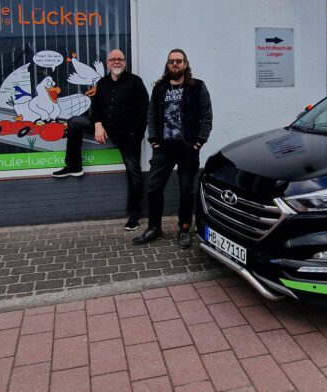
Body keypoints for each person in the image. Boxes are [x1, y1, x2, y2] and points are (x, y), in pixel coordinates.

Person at [53, 49, 148, 232]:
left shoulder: (135, 81)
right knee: (74, 122)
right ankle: (74, 166)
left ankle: (135, 215)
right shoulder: (102, 83)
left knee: (134, 172)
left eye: (120, 59)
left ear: (125, 62)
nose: (116, 62)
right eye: (113, 59)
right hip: (104, 127)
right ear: (107, 63)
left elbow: (144, 109)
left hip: (128, 134)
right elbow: (95, 108)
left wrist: (135, 134)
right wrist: (97, 125)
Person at [134, 48, 212, 249]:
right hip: (163, 148)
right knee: (153, 188)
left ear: (185, 64)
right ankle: (154, 227)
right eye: (171, 61)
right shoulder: (160, 88)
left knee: (186, 190)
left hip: (188, 148)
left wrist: (199, 142)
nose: (175, 64)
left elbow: (207, 116)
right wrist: (153, 139)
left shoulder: (197, 87)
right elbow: (151, 115)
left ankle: (184, 228)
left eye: (179, 61)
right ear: (167, 64)